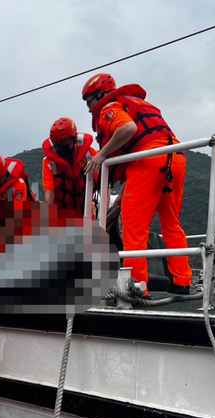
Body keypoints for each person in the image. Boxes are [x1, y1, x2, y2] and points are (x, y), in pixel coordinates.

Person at [82, 73, 192, 294]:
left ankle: (137, 288)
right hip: (174, 159)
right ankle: (182, 282)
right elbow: (146, 138)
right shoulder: (139, 104)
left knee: (134, 229)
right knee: (172, 225)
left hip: (148, 162)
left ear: (100, 95)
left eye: (89, 101)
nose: (89, 107)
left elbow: (128, 129)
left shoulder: (108, 108)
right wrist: (124, 190)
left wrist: (101, 155)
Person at [41, 117, 98, 217]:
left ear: (74, 139)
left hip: (85, 208)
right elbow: (49, 195)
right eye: (57, 144)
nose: (60, 148)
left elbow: (102, 182)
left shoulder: (89, 154)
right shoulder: (49, 162)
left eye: (63, 143)